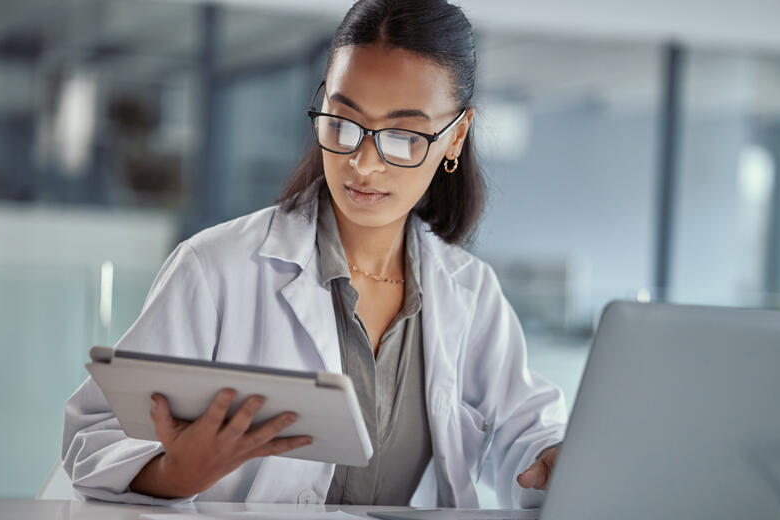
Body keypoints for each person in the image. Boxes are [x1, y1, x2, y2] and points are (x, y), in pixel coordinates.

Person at [61, 0, 566, 508]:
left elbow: (525, 431)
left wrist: (553, 455)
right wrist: (174, 473)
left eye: (403, 135)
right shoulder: (215, 268)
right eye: (343, 121)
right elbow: (95, 437)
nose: (364, 164)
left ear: (455, 136)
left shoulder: (470, 292)